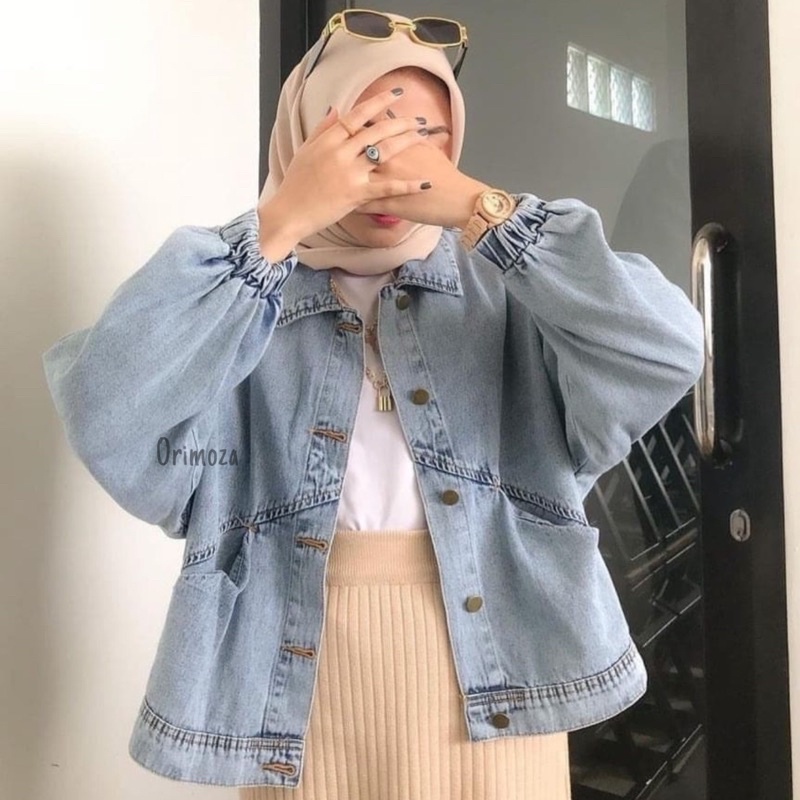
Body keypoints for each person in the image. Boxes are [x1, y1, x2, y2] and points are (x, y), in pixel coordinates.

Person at [41, 9, 706, 800]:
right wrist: (278, 224)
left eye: (425, 135)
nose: (393, 162)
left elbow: (667, 348)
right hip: (292, 696)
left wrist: (483, 210)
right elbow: (107, 411)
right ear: (306, 138)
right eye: (361, 134)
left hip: (503, 683)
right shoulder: (237, 303)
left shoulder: (507, 290)